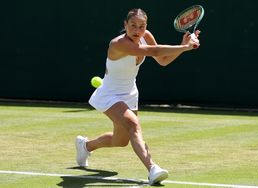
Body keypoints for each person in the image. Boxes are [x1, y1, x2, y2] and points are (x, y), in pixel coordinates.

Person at [75, 8, 200, 185]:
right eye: (133, 25)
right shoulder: (118, 44)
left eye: (141, 26)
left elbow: (163, 60)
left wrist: (182, 46)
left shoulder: (145, 35)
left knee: (121, 141)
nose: (137, 30)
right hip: (109, 94)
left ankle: (85, 146)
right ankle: (152, 169)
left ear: (146, 26)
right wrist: (186, 47)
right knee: (134, 124)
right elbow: (154, 52)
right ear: (125, 25)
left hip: (130, 93)